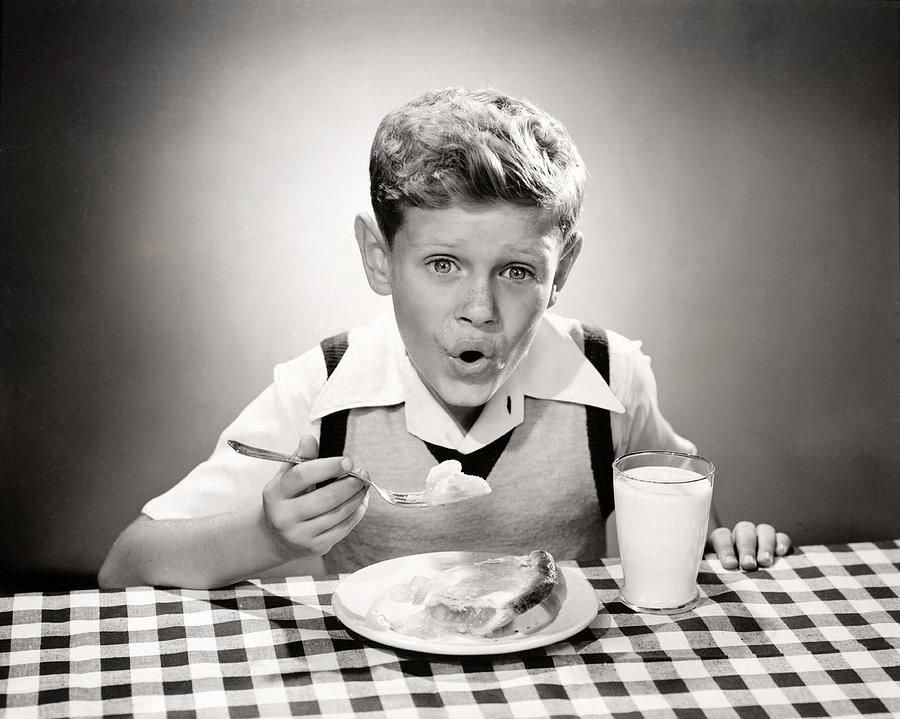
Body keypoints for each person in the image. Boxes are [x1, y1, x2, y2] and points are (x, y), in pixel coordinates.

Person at [98, 87, 791, 589]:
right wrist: (266, 534)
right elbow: (128, 562)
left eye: (517, 271)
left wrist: (726, 540)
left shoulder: (611, 375)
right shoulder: (322, 389)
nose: (479, 310)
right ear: (378, 256)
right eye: (441, 265)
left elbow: (688, 518)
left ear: (563, 269)